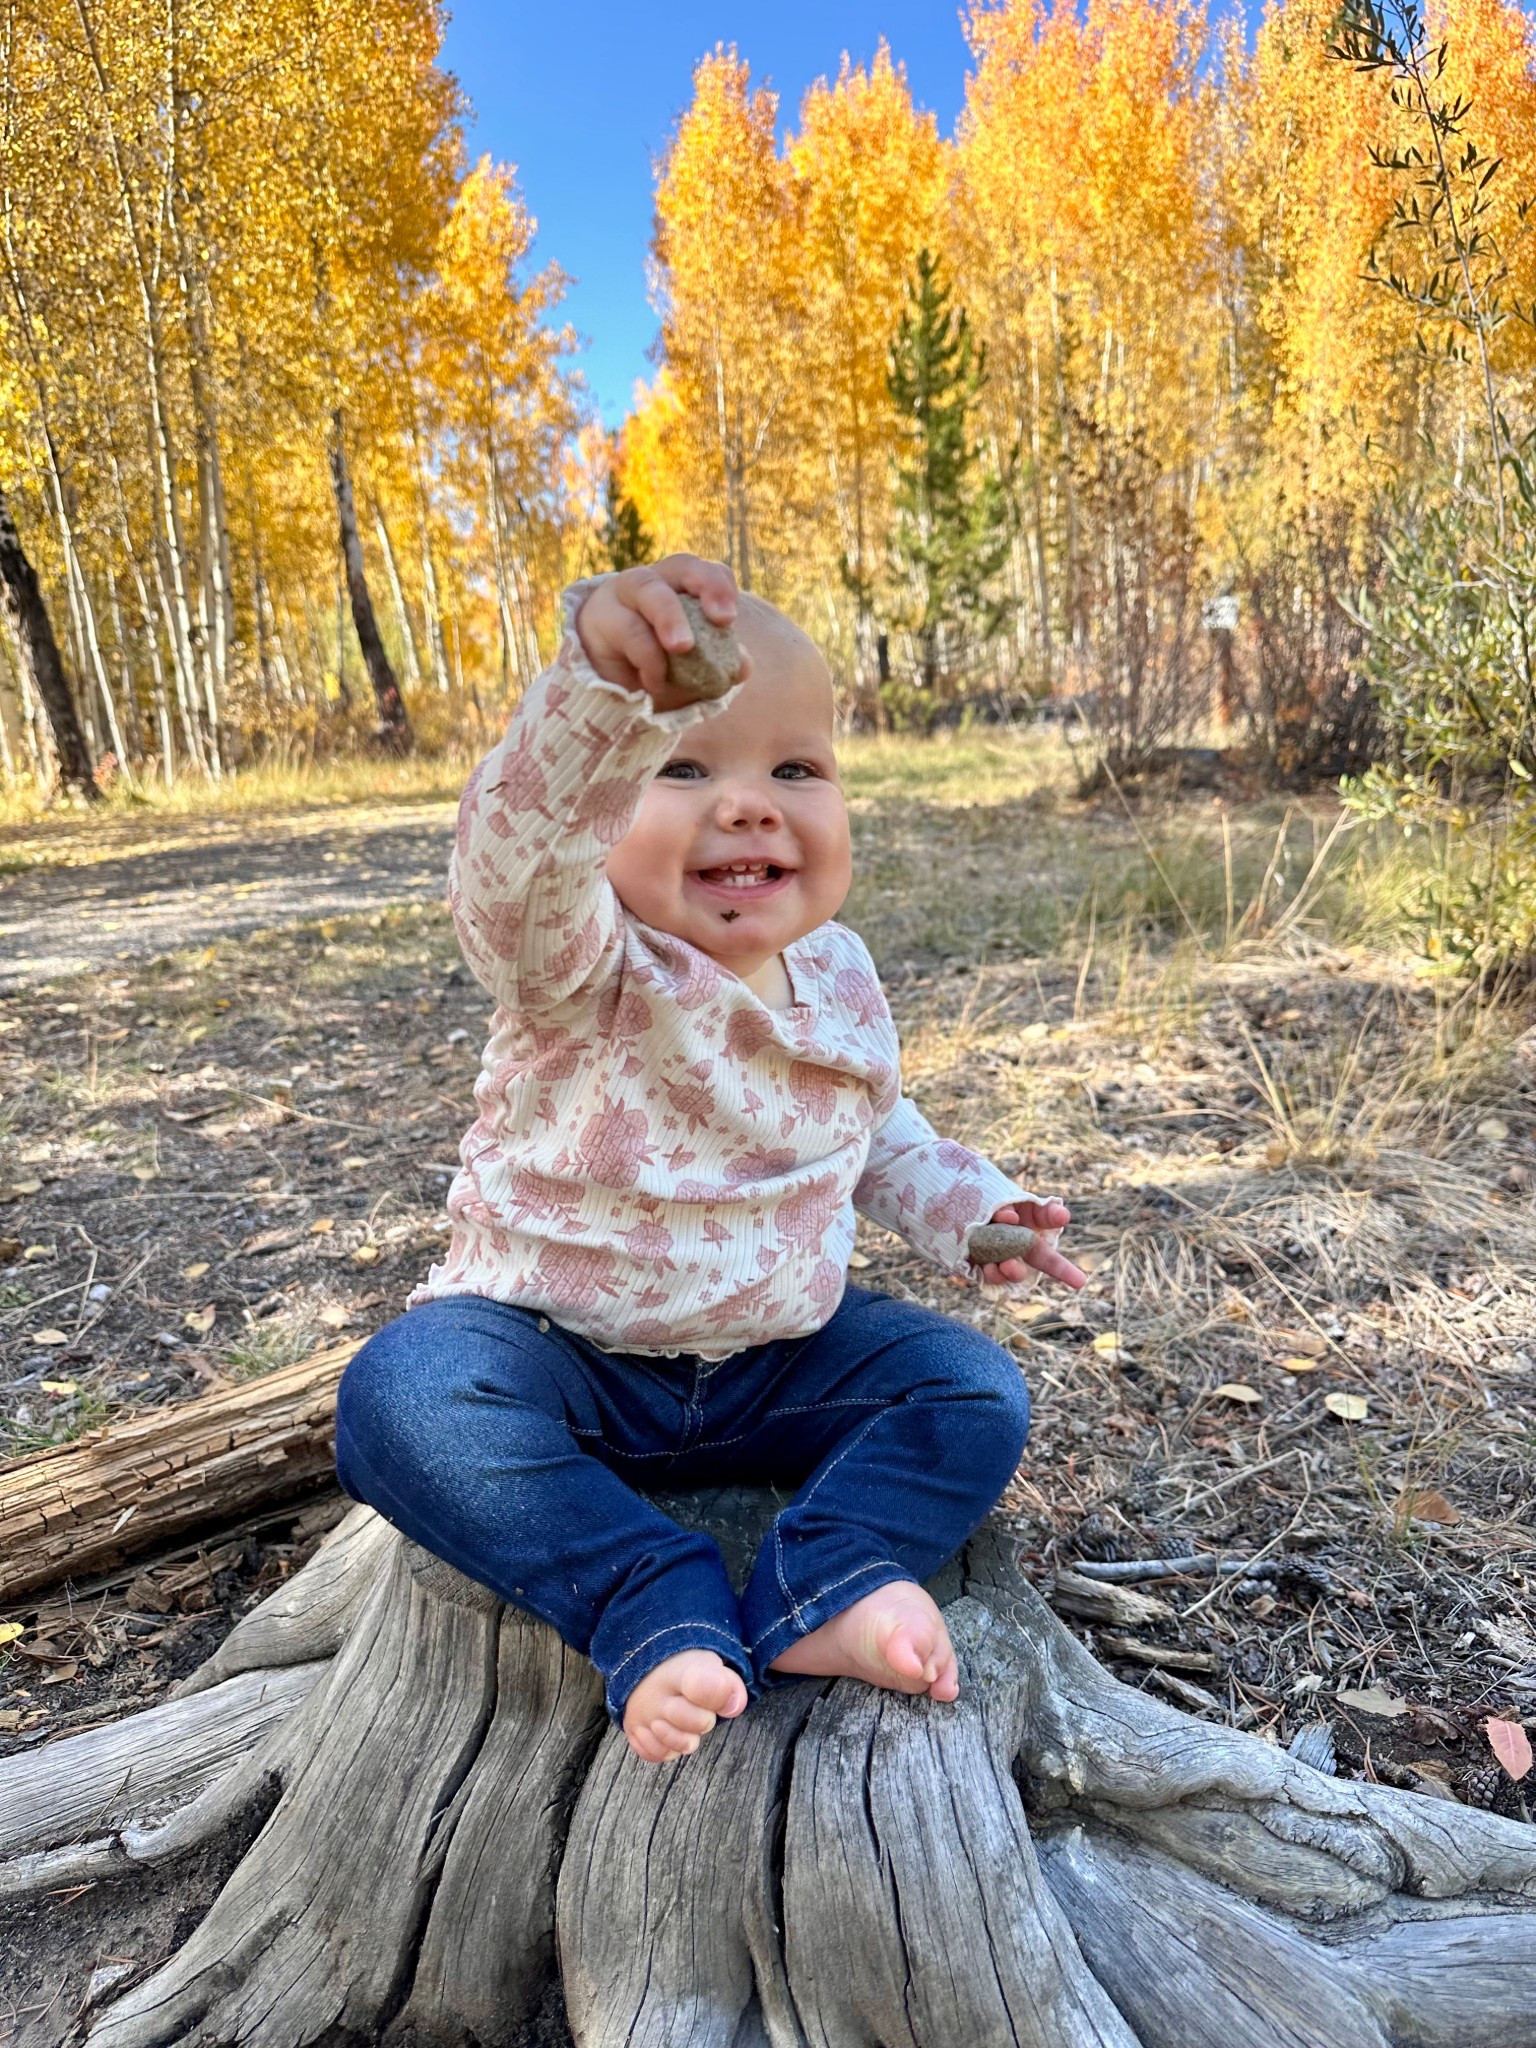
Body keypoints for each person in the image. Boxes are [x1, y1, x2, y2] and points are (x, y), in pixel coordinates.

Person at [335, 555, 1085, 1763]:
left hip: (777, 1361)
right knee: (401, 1397)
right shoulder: (582, 959)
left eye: (796, 769)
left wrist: (978, 1211)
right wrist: (599, 698)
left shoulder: (839, 972)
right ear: (605, 809)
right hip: (558, 1352)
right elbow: (512, 867)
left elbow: (876, 1130)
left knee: (971, 1389)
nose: (748, 805)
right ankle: (646, 1589)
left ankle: (827, 1578)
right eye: (682, 768)